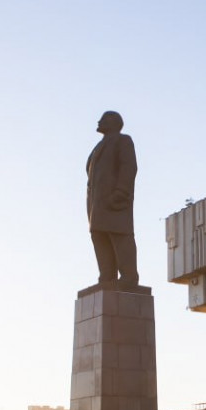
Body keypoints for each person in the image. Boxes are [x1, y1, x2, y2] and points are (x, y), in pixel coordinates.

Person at [87, 110, 139, 288]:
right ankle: (106, 276)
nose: (99, 121)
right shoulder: (98, 147)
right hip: (97, 204)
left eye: (104, 119)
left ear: (115, 123)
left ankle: (129, 277)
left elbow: (128, 166)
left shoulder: (123, 140)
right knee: (99, 236)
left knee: (120, 236)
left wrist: (121, 192)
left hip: (115, 201)